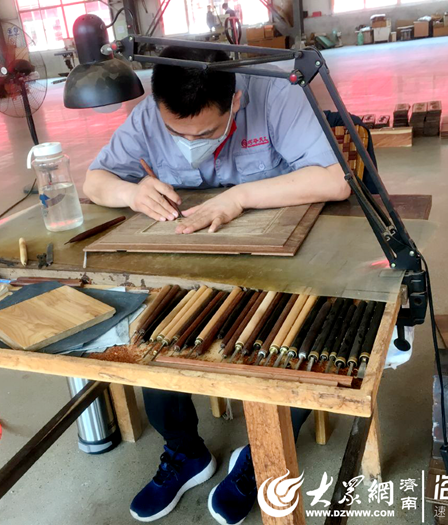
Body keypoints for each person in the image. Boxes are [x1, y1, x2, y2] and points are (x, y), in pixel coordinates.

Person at [85, 46, 349, 524]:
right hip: (194, 257)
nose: (191, 142)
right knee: (152, 338)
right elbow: (95, 181)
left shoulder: (275, 92)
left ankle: (260, 453)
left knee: (295, 346)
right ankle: (185, 451)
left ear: (236, 100)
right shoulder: (150, 114)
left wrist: (240, 197)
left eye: (206, 132)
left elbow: (334, 181)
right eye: (176, 133)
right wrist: (130, 192)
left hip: (275, 255)